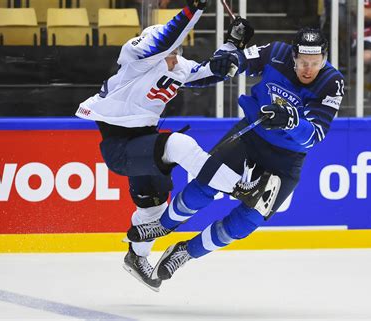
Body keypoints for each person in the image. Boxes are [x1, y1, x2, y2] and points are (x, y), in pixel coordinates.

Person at [75, 1, 280, 292]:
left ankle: (136, 256)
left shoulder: (178, 65)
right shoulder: (136, 56)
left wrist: (233, 43)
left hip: (142, 143)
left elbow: (212, 71)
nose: (175, 59)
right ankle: (241, 188)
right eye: (172, 53)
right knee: (179, 145)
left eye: (178, 54)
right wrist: (194, 7)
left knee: (153, 209)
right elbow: (168, 37)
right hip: (120, 146)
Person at [125, 23, 345, 286]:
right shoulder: (276, 51)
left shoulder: (332, 82)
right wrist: (231, 56)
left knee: (246, 222)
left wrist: (290, 120)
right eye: (303, 62)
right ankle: (163, 225)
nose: (309, 69)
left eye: (316, 62)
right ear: (293, 56)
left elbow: (315, 135)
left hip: (287, 159)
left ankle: (184, 252)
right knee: (204, 185)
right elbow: (241, 60)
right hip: (250, 137)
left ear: (325, 59)